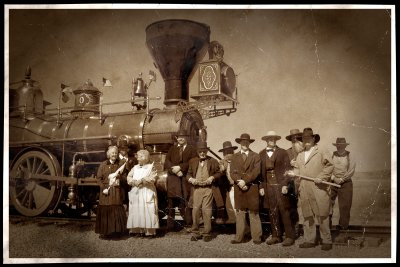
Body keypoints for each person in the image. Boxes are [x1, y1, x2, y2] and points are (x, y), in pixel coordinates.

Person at [287, 128, 334, 251]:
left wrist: (321, 177)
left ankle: (326, 240)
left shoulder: (321, 151)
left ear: (313, 139)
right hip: (304, 187)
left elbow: (330, 166)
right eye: (304, 139)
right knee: (307, 215)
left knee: (322, 214)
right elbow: (298, 170)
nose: (306, 141)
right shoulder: (300, 155)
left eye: (308, 138)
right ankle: (309, 240)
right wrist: (294, 173)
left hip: (319, 187)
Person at [259, 131, 295, 246]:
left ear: (276, 140)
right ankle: (276, 236)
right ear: (266, 140)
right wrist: (261, 186)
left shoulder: (283, 152)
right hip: (268, 187)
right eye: (270, 139)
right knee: (272, 211)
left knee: (284, 210)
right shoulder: (261, 154)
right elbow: (260, 173)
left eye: (274, 139)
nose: (272, 141)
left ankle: (289, 236)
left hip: (280, 186)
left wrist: (285, 184)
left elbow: (288, 170)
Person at [229, 133, 263, 245]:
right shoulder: (234, 157)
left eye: (246, 142)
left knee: (253, 212)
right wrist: (239, 181)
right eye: (242, 142)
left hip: (251, 187)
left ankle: (257, 237)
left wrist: (245, 181)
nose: (244, 143)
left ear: (249, 143)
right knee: (240, 213)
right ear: (239, 143)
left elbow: (256, 171)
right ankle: (239, 237)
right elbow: (232, 172)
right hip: (239, 187)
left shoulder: (256, 156)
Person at [186, 141, 222, 242]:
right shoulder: (192, 161)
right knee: (196, 210)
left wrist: (212, 177)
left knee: (207, 210)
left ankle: (207, 233)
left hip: (208, 189)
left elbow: (219, 173)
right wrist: (191, 180)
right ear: (197, 151)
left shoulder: (213, 161)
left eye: (204, 151)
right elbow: (188, 174)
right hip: (196, 189)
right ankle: (195, 232)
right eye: (200, 151)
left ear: (207, 151)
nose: (202, 153)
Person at [164, 129, 197, 231]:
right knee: (171, 202)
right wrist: (174, 170)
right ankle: (170, 225)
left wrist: (181, 167)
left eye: (183, 136)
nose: (181, 138)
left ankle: (188, 223)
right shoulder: (172, 149)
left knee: (185, 201)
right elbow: (167, 162)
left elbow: (193, 161)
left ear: (186, 137)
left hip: (184, 178)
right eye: (179, 137)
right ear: (177, 138)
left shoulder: (192, 149)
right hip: (173, 179)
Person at [95, 145, 127, 239]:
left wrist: (119, 177)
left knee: (116, 208)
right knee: (105, 210)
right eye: (112, 153)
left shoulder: (120, 165)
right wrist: (103, 188)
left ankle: (116, 232)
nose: (114, 154)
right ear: (108, 154)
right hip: (106, 191)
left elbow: (125, 177)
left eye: (116, 153)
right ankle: (105, 232)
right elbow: (98, 178)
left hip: (116, 191)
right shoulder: (103, 164)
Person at [126, 149, 159, 238]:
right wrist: (133, 182)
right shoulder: (135, 167)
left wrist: (142, 181)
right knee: (136, 210)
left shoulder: (151, 167)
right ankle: (137, 230)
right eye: (138, 156)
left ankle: (149, 232)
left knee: (148, 210)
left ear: (146, 157)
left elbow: (153, 178)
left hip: (147, 191)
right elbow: (129, 177)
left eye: (141, 156)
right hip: (136, 191)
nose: (138, 158)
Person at [330, 137, 356, 239]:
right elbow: (327, 167)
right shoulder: (332, 155)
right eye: (338, 145)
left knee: (345, 206)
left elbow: (351, 170)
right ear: (336, 146)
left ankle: (343, 229)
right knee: (328, 204)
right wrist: (333, 178)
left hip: (345, 183)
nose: (339, 147)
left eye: (341, 145)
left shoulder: (350, 155)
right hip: (332, 182)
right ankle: (327, 228)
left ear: (345, 146)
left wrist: (341, 179)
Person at [285, 129, 305, 236]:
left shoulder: (305, 150)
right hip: (292, 183)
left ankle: (304, 228)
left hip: (304, 181)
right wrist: (289, 163)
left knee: (304, 205)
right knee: (293, 206)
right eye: (293, 138)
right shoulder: (287, 152)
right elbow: (283, 167)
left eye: (297, 137)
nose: (295, 140)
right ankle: (295, 228)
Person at [218, 141, 238, 224]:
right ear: (223, 153)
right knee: (231, 206)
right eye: (226, 152)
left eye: (230, 151)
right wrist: (221, 167)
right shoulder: (222, 162)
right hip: (229, 187)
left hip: (238, 186)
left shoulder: (238, 160)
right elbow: (220, 168)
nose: (228, 154)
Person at [117, 139, 138, 208]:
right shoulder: (115, 159)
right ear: (119, 149)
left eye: (125, 148)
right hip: (119, 186)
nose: (123, 150)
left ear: (127, 149)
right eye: (121, 148)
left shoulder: (133, 159)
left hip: (130, 185)